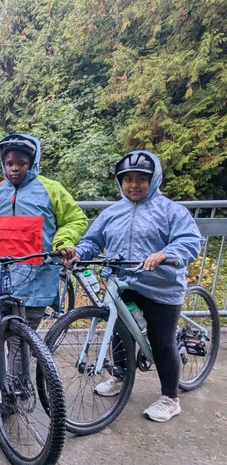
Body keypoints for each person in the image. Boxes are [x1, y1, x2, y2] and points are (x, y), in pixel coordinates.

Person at [69, 150, 202, 423]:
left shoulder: (171, 211)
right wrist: (78, 252)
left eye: (141, 178)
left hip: (161, 287)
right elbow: (93, 240)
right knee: (120, 333)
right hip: (125, 282)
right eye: (127, 179)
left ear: (153, 181)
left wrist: (164, 255)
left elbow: (189, 241)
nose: (133, 185)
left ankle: (169, 398)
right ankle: (120, 376)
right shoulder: (112, 212)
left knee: (162, 342)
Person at [0, 133, 88, 423]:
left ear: (33, 162)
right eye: (10, 163)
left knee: (20, 340)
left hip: (37, 279)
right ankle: (15, 389)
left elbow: (75, 219)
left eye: (21, 163)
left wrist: (64, 240)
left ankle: (12, 396)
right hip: (0, 278)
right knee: (1, 337)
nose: (14, 168)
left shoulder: (51, 190)